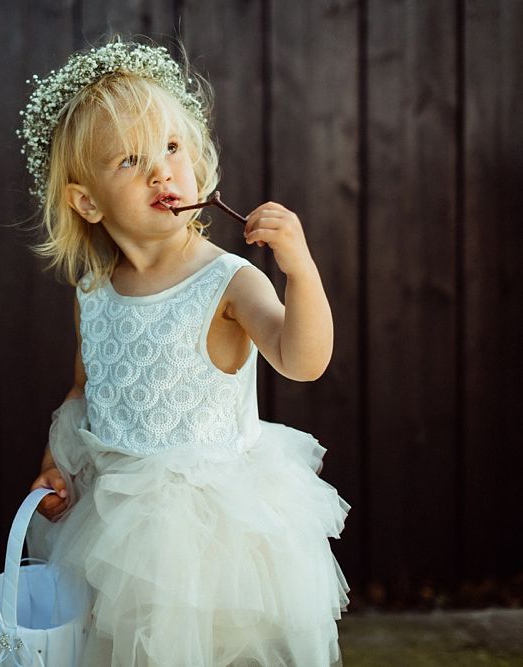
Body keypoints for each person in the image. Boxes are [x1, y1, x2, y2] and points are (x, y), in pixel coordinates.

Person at [19, 36, 350, 667]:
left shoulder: (228, 281)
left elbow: (303, 360)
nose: (161, 171)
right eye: (131, 160)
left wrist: (300, 271)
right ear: (86, 201)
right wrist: (54, 466)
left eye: (172, 147)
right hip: (116, 529)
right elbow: (85, 394)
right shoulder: (93, 292)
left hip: (212, 538)